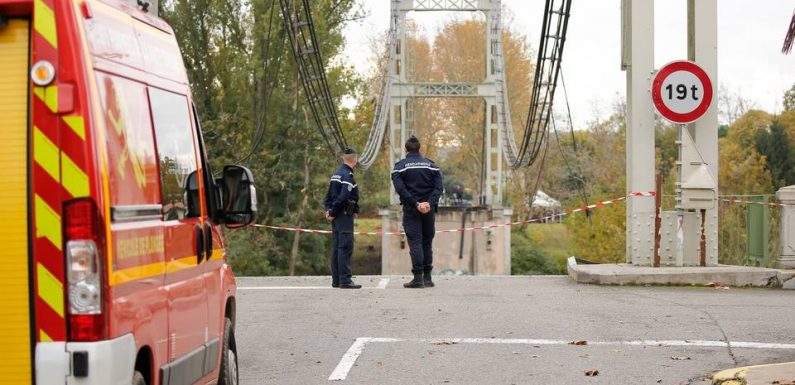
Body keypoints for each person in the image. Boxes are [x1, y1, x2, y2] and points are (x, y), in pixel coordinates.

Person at [391, 136, 444, 288]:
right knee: (427, 243)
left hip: (411, 210)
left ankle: (418, 279)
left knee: (415, 244)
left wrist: (416, 204)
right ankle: (428, 278)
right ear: (419, 149)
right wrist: (429, 203)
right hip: (429, 210)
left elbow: (401, 190)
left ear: (406, 150)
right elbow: (439, 188)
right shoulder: (432, 166)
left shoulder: (400, 167)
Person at [323, 148, 362, 289]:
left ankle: (336, 280)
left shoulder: (336, 174)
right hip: (344, 215)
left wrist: (328, 211)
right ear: (355, 160)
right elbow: (344, 197)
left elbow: (328, 196)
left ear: (343, 159)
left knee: (336, 248)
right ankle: (345, 280)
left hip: (335, 215)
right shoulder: (348, 176)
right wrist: (333, 212)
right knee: (345, 247)